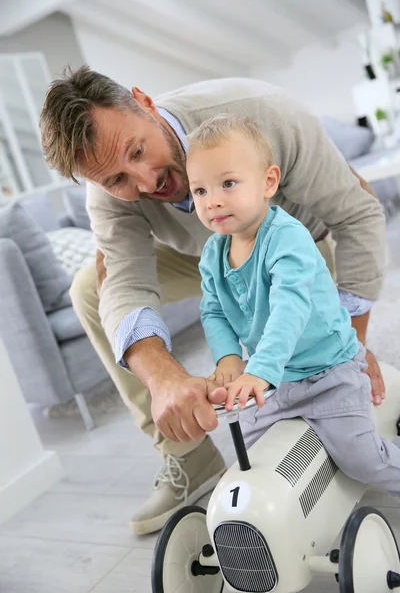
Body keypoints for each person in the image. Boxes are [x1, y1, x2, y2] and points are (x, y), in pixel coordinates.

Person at [40, 66, 386, 535]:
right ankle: (188, 455)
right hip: (212, 255)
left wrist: (351, 346)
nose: (144, 184)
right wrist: (165, 379)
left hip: (299, 241)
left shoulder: (264, 114)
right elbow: (124, 284)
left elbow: (358, 214)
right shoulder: (109, 192)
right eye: (117, 178)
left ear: (143, 101)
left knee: (322, 352)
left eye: (138, 151)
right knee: (91, 288)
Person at [186, 113, 400, 494]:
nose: (213, 201)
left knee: (362, 460)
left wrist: (260, 370)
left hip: (328, 371)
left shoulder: (287, 238)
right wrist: (229, 359)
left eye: (228, 184)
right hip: (275, 379)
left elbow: (291, 307)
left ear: (268, 182)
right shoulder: (212, 253)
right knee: (256, 458)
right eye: (200, 191)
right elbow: (214, 309)